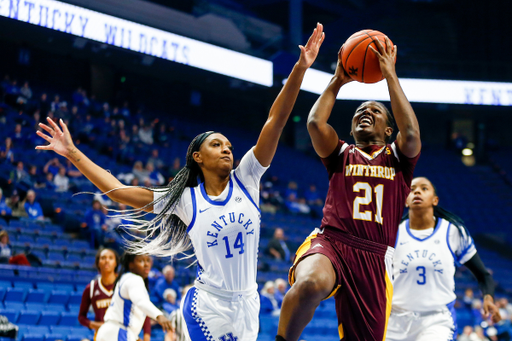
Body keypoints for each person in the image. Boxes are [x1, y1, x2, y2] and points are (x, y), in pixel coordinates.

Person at [35, 23, 325, 341]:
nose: (227, 148)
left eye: (229, 144)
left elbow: (276, 119)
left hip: (248, 305)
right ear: (197, 157)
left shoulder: (248, 178)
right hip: (207, 307)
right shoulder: (186, 200)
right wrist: (73, 153)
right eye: (216, 145)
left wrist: (300, 68)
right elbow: (115, 189)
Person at [277, 37, 422, 341]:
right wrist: (337, 79)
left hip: (374, 258)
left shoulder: (398, 158)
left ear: (388, 131)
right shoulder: (341, 154)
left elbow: (410, 132)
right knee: (311, 283)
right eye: (359, 111)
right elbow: (316, 123)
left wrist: (389, 75)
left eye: (374, 110)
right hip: (333, 242)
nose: (364, 111)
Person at [386, 177, 501, 340]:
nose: (417, 191)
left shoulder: (453, 232)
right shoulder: (391, 234)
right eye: (412, 189)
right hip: (395, 321)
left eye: (424, 188)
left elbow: (483, 275)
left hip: (437, 321)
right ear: (405, 200)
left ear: (435, 200)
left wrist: (488, 298)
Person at [94, 252, 172, 341]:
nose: (146, 264)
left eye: (148, 260)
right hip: (118, 332)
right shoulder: (134, 279)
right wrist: (159, 315)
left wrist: (134, 336)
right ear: (131, 265)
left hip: (111, 331)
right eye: (141, 260)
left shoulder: (125, 278)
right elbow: (140, 301)